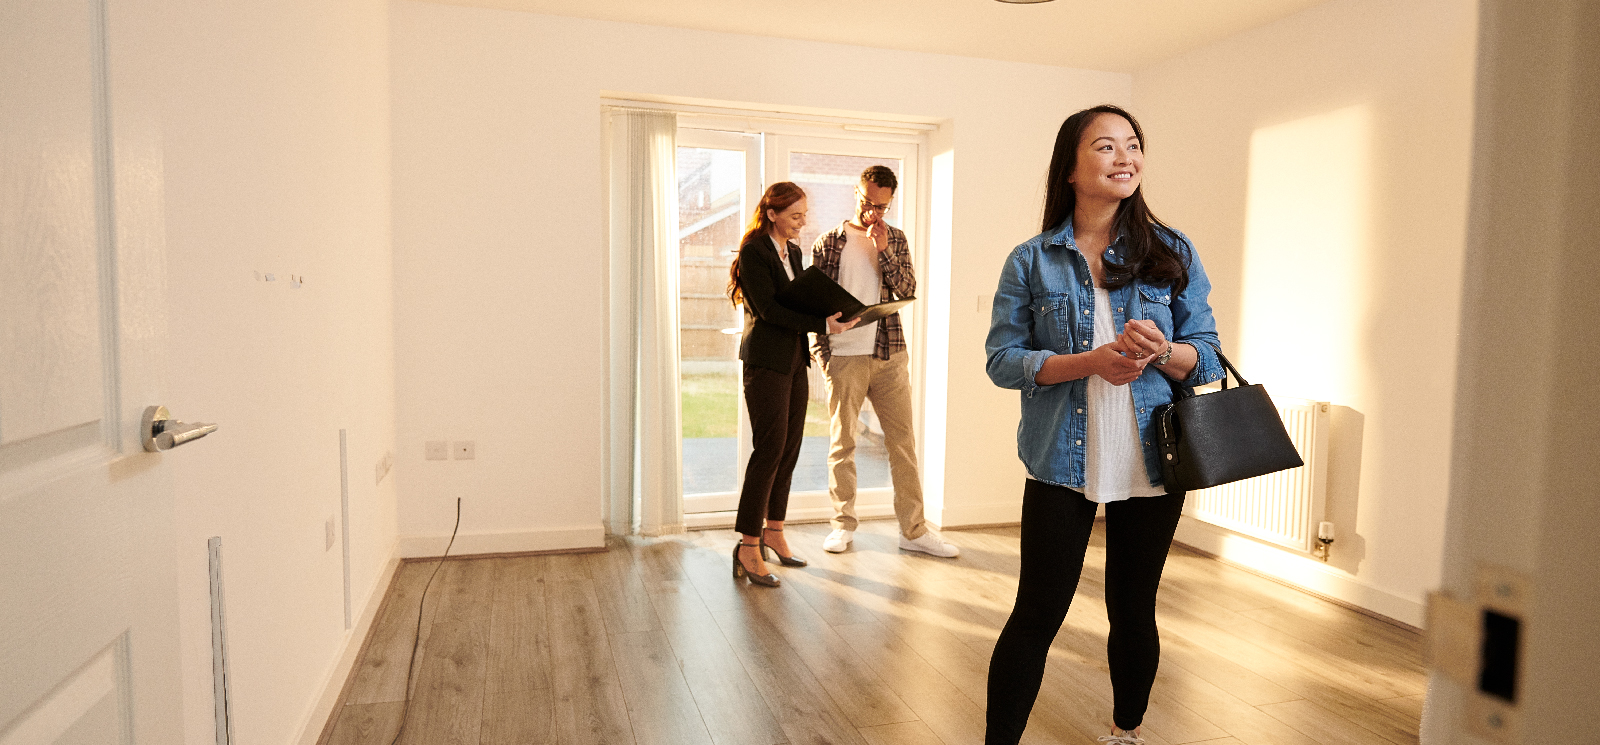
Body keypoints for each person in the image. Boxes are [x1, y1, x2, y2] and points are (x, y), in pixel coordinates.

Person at [982, 105, 1224, 744]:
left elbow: (1202, 353)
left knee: (1133, 610)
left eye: (1134, 145)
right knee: (1035, 614)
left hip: (1154, 457)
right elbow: (1003, 362)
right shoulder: (1031, 260)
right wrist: (1089, 362)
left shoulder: (1171, 251)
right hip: (1062, 461)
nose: (1126, 158)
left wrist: (1160, 353)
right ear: (1070, 167)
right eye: (1107, 146)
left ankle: (1126, 732)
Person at [812, 166, 958, 558]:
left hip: (889, 353)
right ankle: (842, 525)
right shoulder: (829, 242)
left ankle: (913, 531)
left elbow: (908, 289)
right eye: (866, 201)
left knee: (903, 444)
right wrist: (823, 353)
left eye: (881, 205)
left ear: (889, 201)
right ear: (856, 192)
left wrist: (883, 249)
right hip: (844, 357)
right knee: (843, 443)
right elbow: (814, 304)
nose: (871, 211)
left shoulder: (895, 239)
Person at [728, 181, 857, 587]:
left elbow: (795, 301)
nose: (803, 223)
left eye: (804, 215)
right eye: (795, 216)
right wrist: (822, 324)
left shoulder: (794, 252)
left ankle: (774, 532)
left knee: (789, 447)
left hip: (793, 359)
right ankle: (749, 546)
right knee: (769, 449)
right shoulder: (754, 252)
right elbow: (768, 310)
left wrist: (833, 309)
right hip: (765, 361)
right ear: (772, 214)